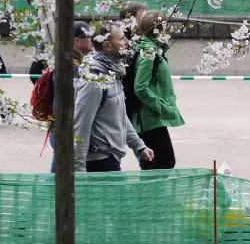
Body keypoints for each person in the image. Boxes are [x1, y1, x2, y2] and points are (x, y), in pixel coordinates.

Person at [72, 21, 155, 172]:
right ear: (107, 46)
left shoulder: (112, 72)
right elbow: (81, 126)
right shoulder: (94, 80)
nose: (127, 42)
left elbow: (119, 115)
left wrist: (138, 145)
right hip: (100, 161)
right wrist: (79, 170)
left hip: (111, 157)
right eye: (122, 38)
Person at [128, 11, 184, 170]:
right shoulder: (149, 52)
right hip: (150, 118)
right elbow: (140, 87)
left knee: (151, 163)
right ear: (160, 28)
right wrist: (160, 106)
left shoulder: (152, 48)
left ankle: (146, 195)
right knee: (164, 162)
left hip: (149, 117)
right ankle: (147, 195)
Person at [27, 0, 57, 83]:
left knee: (36, 74)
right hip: (45, 40)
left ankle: (50, 101)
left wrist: (54, 47)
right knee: (40, 75)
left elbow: (52, 20)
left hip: (50, 42)